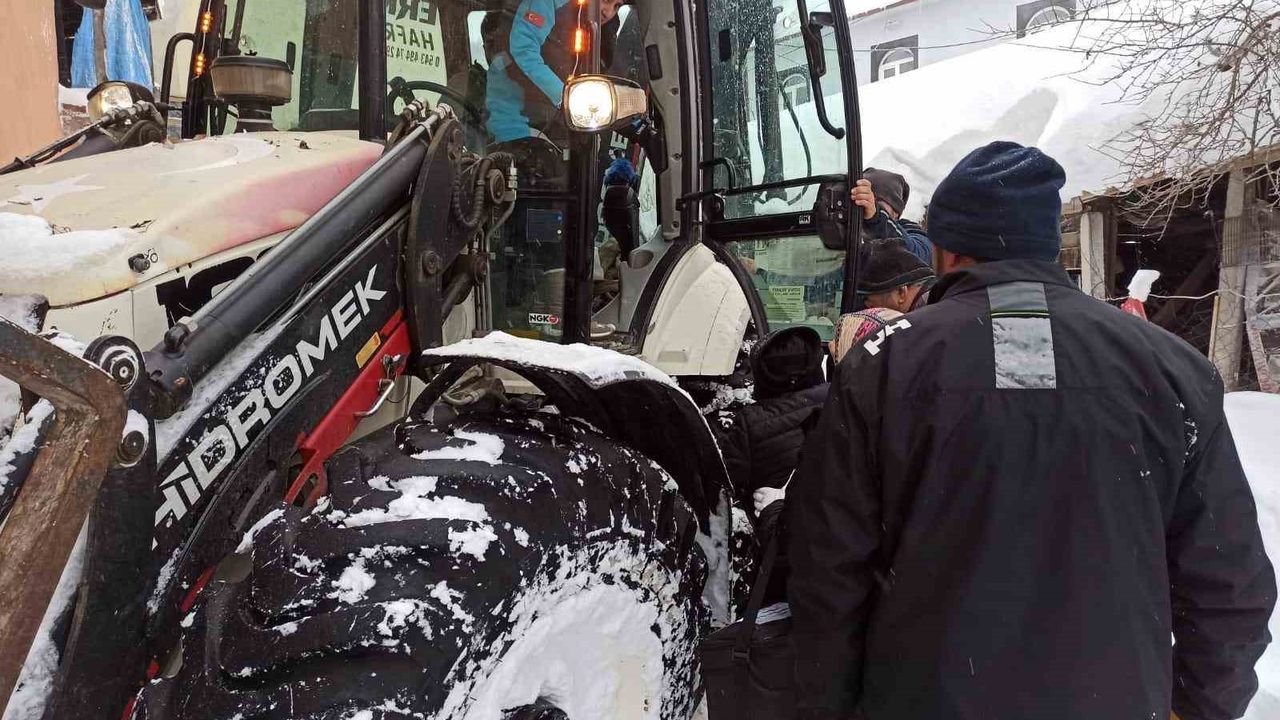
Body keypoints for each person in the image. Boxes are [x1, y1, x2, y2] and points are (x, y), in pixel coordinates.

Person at [789, 141, 1276, 720]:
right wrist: (1198, 706)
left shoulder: (882, 365)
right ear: (1047, 246)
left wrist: (829, 704)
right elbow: (1228, 585)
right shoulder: (1174, 369)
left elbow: (827, 573)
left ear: (944, 253)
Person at [485, 0, 625, 144]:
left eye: (617, 6)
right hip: (514, 114)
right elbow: (524, 49)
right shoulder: (548, 3)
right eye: (606, 0)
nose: (608, 12)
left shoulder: (599, 35)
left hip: (556, 122)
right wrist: (567, 99)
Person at [850, 167, 932, 266]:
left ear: (896, 211)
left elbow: (919, 254)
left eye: (878, 202)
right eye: (866, 199)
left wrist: (876, 218)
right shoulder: (847, 229)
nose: (868, 206)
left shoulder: (910, 230)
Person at [856, 239, 935, 313]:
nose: (866, 305)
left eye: (866, 298)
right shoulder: (937, 301)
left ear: (901, 293)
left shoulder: (924, 320)